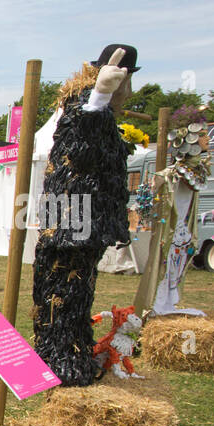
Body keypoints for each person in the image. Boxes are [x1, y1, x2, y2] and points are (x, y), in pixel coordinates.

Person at [32, 44, 137, 386]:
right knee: (62, 294)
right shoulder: (83, 105)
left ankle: (73, 353)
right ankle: (60, 359)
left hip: (83, 225)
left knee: (77, 295)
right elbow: (80, 142)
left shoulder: (101, 115)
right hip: (70, 224)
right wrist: (100, 96)